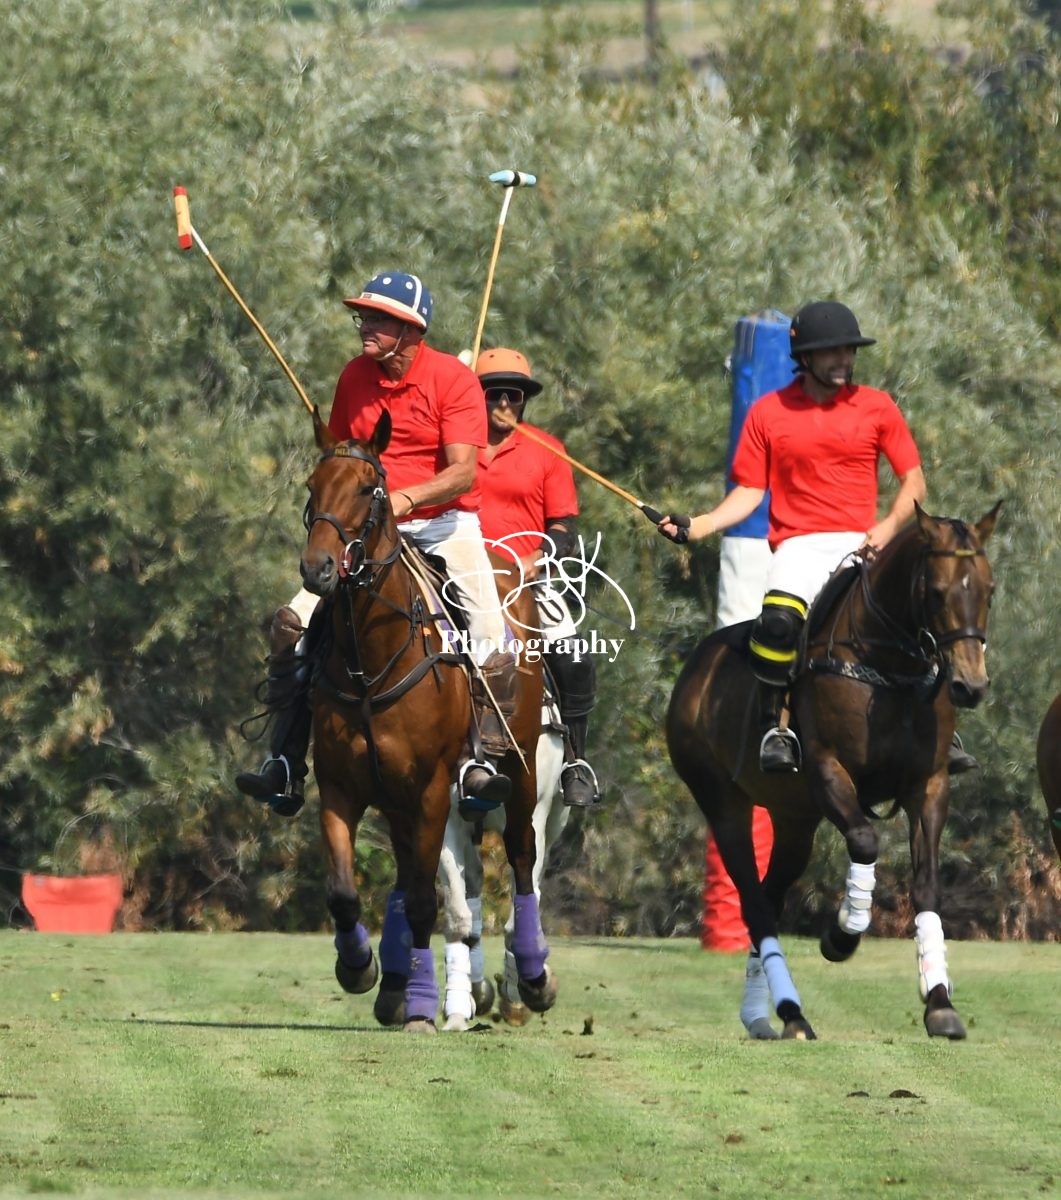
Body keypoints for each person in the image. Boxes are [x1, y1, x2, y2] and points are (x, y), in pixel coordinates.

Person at [236, 272, 521, 816]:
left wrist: (405, 500)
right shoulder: (354, 376)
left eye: (377, 319)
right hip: (367, 529)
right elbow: (342, 454)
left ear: (411, 330)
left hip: (443, 524)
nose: (364, 326)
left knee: (488, 628)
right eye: (363, 317)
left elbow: (462, 473)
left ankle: (479, 760)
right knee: (292, 625)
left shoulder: (453, 380)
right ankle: (286, 761)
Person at [658, 300, 977, 776]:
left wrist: (888, 528)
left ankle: (939, 730)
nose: (844, 359)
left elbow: (914, 482)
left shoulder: (877, 406)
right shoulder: (768, 413)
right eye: (832, 352)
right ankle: (776, 727)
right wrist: (700, 525)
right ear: (805, 357)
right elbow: (750, 491)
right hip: (799, 546)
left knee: (925, 608)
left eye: (849, 350)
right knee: (777, 625)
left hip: (864, 542)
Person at [473, 347, 601, 808]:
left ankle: (575, 761)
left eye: (516, 394)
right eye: (494, 394)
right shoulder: (456, 448)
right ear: (477, 396)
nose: (506, 403)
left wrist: (538, 556)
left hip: (525, 580)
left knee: (575, 656)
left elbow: (564, 527)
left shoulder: (547, 449)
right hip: (461, 575)